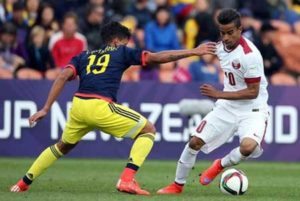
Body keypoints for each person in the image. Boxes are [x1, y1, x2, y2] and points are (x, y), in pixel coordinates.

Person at [10, 21, 216, 195]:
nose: (127, 45)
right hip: (100, 106)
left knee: (63, 145)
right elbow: (157, 57)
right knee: (148, 130)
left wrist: (45, 108)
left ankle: (23, 183)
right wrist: (193, 51)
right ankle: (127, 179)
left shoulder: (84, 56)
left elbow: (63, 75)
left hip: (78, 106)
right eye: (125, 42)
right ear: (117, 41)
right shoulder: (121, 52)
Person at [157, 8, 269, 194]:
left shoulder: (250, 56)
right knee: (194, 142)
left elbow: (252, 92)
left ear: (240, 29)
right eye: (222, 33)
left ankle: (219, 165)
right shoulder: (220, 47)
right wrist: (195, 51)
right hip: (227, 107)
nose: (225, 37)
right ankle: (177, 185)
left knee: (248, 147)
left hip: (253, 109)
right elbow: (187, 55)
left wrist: (218, 94)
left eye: (230, 32)